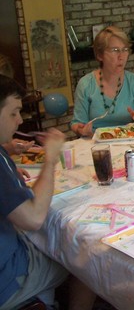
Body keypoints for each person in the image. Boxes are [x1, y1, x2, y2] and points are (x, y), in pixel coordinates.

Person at [0, 74, 96, 310]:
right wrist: (51, 159)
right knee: (88, 262)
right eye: (13, 113)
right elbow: (33, 218)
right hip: (8, 278)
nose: (20, 121)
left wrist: (8, 148)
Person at [71, 26, 134, 137]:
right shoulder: (86, 84)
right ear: (100, 55)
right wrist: (81, 130)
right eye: (115, 50)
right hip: (96, 145)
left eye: (125, 50)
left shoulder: (133, 81)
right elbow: (76, 124)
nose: (121, 56)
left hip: (128, 141)